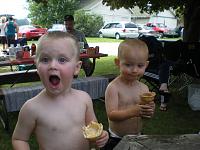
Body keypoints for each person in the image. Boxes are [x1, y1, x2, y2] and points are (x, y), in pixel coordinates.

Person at [12, 31, 109, 150]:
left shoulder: (84, 99)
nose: (53, 65)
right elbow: (19, 139)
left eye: (62, 60)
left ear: (77, 68)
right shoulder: (32, 108)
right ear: (37, 67)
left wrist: (100, 137)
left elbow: (93, 129)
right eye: (45, 59)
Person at [103, 39, 155, 149]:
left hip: (138, 136)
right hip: (117, 138)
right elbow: (111, 115)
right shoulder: (114, 88)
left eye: (140, 66)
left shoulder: (144, 88)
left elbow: (145, 117)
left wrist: (148, 111)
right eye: (128, 65)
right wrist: (132, 112)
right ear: (118, 63)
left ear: (146, 65)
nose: (135, 70)